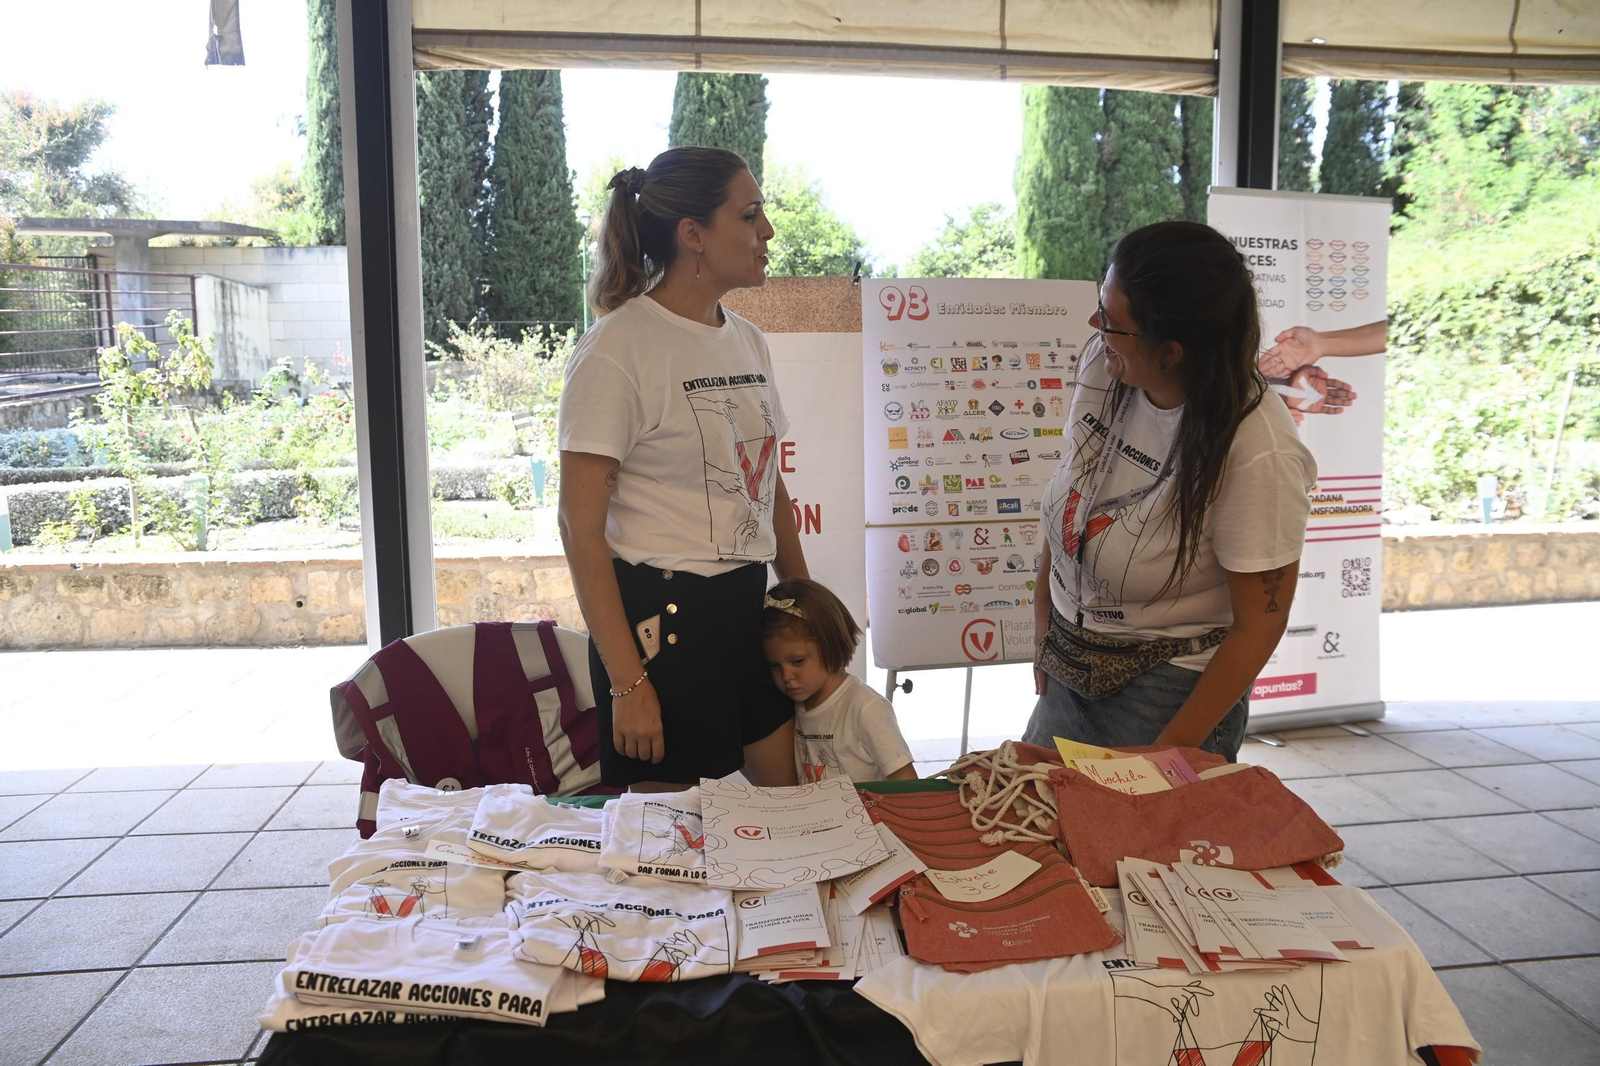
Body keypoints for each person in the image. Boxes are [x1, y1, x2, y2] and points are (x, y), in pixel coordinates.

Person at [557, 147, 806, 792]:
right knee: (669, 875)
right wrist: (629, 682)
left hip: (746, 610)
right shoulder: (617, 348)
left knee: (786, 826)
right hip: (659, 628)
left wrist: (804, 604)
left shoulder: (748, 339)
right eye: (750, 216)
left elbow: (767, 482)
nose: (767, 232)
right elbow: (580, 530)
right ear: (693, 235)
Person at [1024, 221, 1318, 761]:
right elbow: (1076, 485)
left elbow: (1260, 623)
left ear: (1171, 352)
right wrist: (1044, 608)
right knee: (1044, 828)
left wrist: (1172, 753)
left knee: (1137, 841)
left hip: (1168, 690)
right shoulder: (1107, 362)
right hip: (1070, 657)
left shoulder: (1257, 450)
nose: (1095, 326)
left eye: (1112, 321)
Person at [761, 578, 916, 784]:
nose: (786, 676)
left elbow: (907, 784)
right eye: (775, 666)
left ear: (830, 645)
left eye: (797, 661)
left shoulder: (867, 708)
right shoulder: (793, 703)